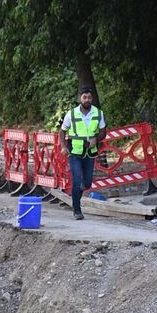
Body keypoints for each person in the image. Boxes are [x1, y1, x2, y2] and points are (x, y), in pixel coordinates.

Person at [60, 87, 106, 220]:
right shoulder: (71, 114)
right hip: (75, 151)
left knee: (87, 183)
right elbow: (62, 131)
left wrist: (96, 138)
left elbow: (103, 132)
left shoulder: (98, 113)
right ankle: (77, 210)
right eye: (84, 97)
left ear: (92, 99)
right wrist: (63, 147)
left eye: (89, 97)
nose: (87, 100)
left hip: (90, 152)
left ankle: (80, 189)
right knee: (76, 179)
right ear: (80, 98)